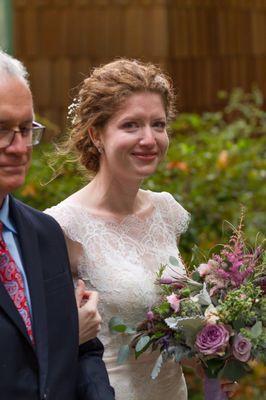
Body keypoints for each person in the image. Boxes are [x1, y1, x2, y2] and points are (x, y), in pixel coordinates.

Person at [45, 59, 238, 399]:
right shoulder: (63, 228)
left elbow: (173, 318)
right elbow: (45, 340)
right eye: (131, 125)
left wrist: (208, 359)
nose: (149, 139)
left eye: (158, 124)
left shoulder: (166, 211)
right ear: (96, 135)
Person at [0, 49, 115, 400]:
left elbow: (85, 351)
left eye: (25, 129)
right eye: (2, 130)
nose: (19, 148)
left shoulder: (45, 233)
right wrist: (65, 333)